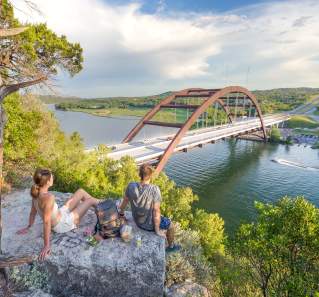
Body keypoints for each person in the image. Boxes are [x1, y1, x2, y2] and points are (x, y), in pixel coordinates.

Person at [17, 168, 99, 260]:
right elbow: (46, 222)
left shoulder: (36, 194)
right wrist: (46, 245)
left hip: (61, 214)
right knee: (90, 200)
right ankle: (106, 207)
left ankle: (100, 206)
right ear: (48, 182)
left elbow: (32, 213)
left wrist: (29, 226)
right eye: (52, 177)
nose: (53, 178)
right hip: (63, 224)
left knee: (81, 192)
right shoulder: (49, 197)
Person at [119, 164, 180, 253]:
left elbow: (125, 201)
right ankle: (171, 247)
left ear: (140, 174)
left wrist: (121, 213)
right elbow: (156, 211)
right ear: (151, 175)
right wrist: (157, 230)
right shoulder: (154, 189)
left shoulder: (131, 186)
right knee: (171, 226)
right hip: (149, 225)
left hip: (137, 221)